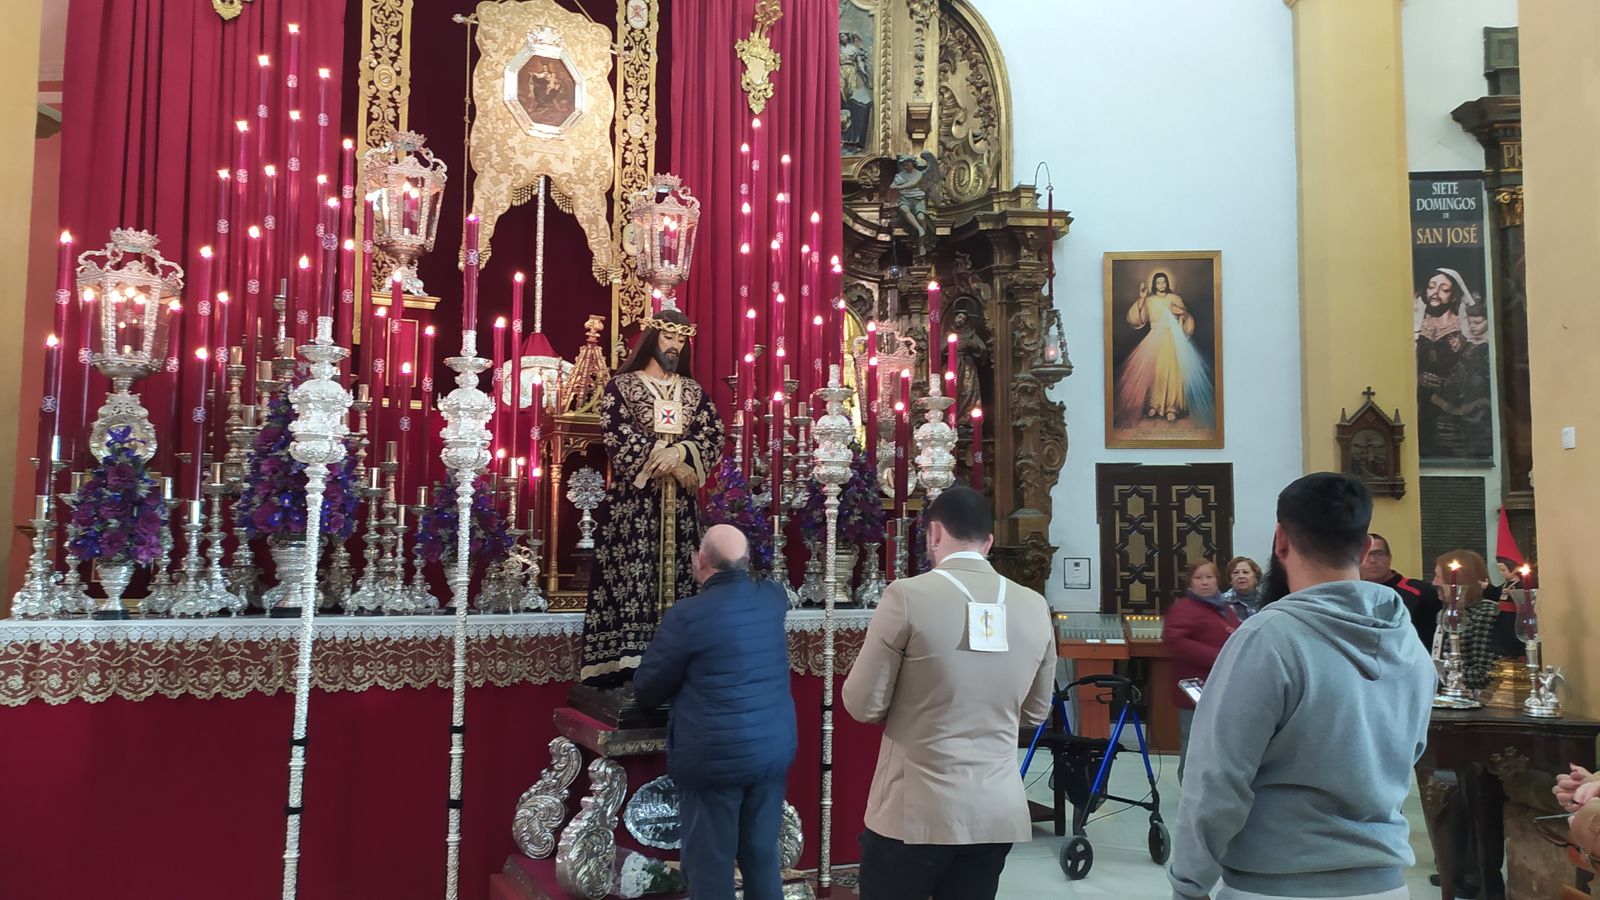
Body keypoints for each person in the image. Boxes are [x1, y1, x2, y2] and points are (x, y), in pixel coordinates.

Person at [1169, 473, 1435, 900]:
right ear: (1365, 548)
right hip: (1384, 883)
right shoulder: (1410, 645)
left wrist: (1189, 883)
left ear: (1280, 540)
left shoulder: (1267, 638)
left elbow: (1216, 779)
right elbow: (1408, 753)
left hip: (1276, 884)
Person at [842, 486, 1055, 900]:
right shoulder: (1034, 605)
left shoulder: (907, 596)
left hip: (915, 811)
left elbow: (863, 704)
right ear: (988, 542)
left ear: (934, 533)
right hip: (995, 810)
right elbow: (1035, 712)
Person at [634, 524, 796, 900]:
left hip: (715, 759)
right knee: (761, 856)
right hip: (770, 751)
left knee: (711, 865)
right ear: (747, 561)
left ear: (700, 560)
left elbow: (649, 688)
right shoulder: (772, 599)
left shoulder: (688, 615)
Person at [580, 307, 725, 686]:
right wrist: (670, 462)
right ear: (652, 339)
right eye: (668, 337)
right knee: (635, 576)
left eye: (681, 339)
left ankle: (680, 662)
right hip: (634, 508)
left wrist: (681, 453)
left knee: (685, 576)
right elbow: (618, 435)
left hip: (682, 511)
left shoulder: (693, 392)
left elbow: (713, 434)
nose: (675, 345)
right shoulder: (622, 387)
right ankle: (629, 665)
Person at [1162, 559, 1239, 783]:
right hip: (1194, 687)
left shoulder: (1223, 607)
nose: (1204, 582)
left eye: (1209, 577)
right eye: (1198, 578)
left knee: (1218, 741)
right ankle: (1189, 785)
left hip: (1223, 685)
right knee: (1194, 739)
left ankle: (1212, 786)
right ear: (1190, 582)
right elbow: (1175, 641)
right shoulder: (1184, 607)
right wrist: (1219, 657)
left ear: (1217, 580)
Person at [1115, 271, 1215, 426]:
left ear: (1167, 283)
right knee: (1156, 372)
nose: (1161, 285)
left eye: (1163, 282)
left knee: (1173, 371)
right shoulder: (1149, 300)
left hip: (1172, 338)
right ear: (1154, 285)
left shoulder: (1175, 298)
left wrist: (1181, 312)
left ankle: (1171, 407)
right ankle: (1154, 405)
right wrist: (1142, 298)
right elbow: (1137, 319)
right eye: (1158, 282)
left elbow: (1186, 317)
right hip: (1154, 339)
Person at [1360, 532, 1442, 650]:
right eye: (1367, 554)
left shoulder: (1421, 591)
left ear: (1389, 558)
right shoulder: (1353, 594)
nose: (1372, 560)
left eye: (1378, 554)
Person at [1221, 556, 1263, 620]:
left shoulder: (1266, 600)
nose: (1241, 576)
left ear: (1256, 578)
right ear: (1230, 579)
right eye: (1236, 572)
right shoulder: (1221, 602)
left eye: (1245, 572)